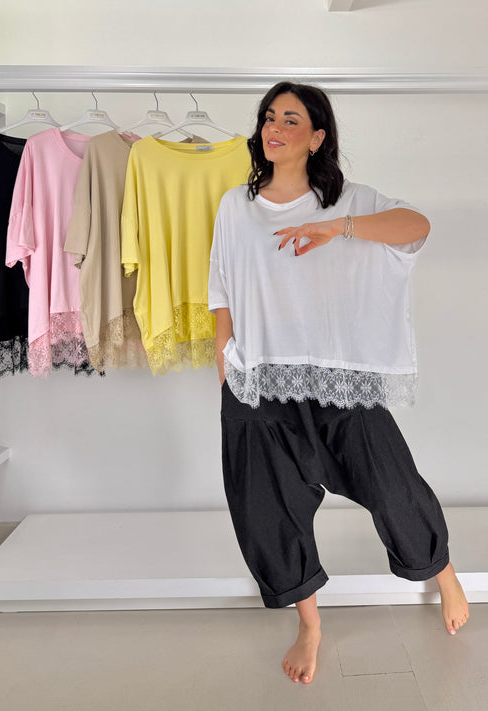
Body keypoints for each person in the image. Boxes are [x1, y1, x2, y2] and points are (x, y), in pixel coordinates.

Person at [208, 81, 469, 686]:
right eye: (268, 117)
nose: (274, 128)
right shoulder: (234, 206)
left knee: (392, 482)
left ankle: (443, 573)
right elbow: (221, 289)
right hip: (258, 380)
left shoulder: (349, 199)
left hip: (336, 377)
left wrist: (340, 228)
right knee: (267, 508)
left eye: (290, 119)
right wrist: (224, 361)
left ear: (317, 136)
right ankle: (309, 625)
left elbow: (416, 226)